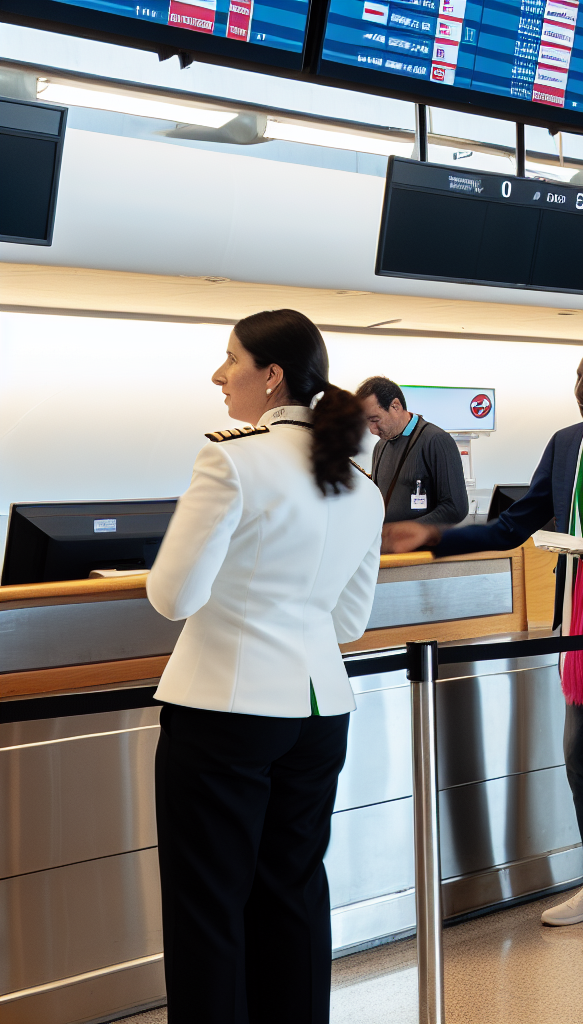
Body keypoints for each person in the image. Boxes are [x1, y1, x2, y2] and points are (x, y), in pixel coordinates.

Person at [384, 345, 583, 940]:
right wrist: (433, 538)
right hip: (581, 618)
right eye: (579, 378)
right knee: (580, 751)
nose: (582, 389)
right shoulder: (564, 447)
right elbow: (515, 522)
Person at [147, 309, 383, 1024]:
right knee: (293, 892)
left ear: (271, 375)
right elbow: (349, 621)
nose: (220, 376)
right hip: (318, 714)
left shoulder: (231, 457)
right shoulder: (360, 486)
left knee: (208, 907)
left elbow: (172, 595)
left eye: (230, 360)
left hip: (224, 710)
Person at [355, 376, 470, 526]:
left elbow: (455, 509)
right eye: (367, 423)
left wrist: (405, 532)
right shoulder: (380, 446)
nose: (372, 430)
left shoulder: (436, 441)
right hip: (389, 546)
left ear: (396, 406)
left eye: (375, 420)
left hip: (423, 548)